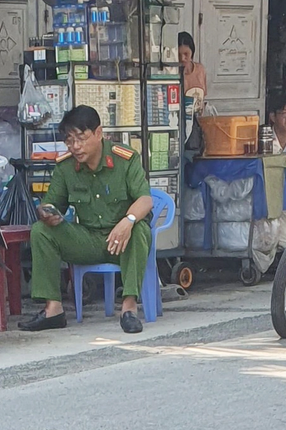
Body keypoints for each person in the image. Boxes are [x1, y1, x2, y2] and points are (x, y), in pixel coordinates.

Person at [18, 106, 153, 334]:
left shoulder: (125, 159)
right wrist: (47, 213)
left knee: (139, 229)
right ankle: (53, 309)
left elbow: (146, 200)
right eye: (70, 141)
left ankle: (129, 308)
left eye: (81, 138)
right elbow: (52, 204)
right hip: (87, 239)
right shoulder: (66, 167)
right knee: (40, 231)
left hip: (122, 240)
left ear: (98, 133)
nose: (75, 147)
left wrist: (127, 221)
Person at [179, 32, 207, 115]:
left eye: (186, 54)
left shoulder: (200, 70)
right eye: (179, 54)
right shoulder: (172, 74)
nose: (182, 58)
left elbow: (203, 96)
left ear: (192, 52)